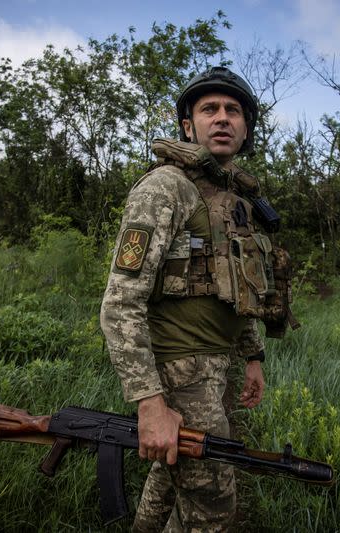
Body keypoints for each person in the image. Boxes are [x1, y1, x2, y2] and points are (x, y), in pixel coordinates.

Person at [100, 66, 295, 532]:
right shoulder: (166, 188)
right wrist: (150, 403)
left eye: (233, 110)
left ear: (246, 129)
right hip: (179, 371)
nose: (222, 118)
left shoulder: (234, 202)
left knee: (171, 480)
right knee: (212, 507)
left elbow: (240, 289)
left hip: (215, 367)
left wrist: (252, 356)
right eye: (209, 109)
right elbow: (119, 303)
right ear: (189, 126)